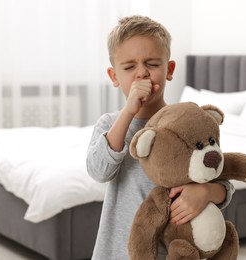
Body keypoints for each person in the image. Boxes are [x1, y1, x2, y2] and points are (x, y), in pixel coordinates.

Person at [86, 15, 234, 259]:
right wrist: (129, 112)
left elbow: (224, 181)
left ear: (169, 69)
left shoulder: (188, 123)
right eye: (129, 67)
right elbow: (99, 170)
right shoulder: (110, 124)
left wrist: (206, 192)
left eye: (152, 64)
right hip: (117, 252)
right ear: (114, 76)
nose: (142, 73)